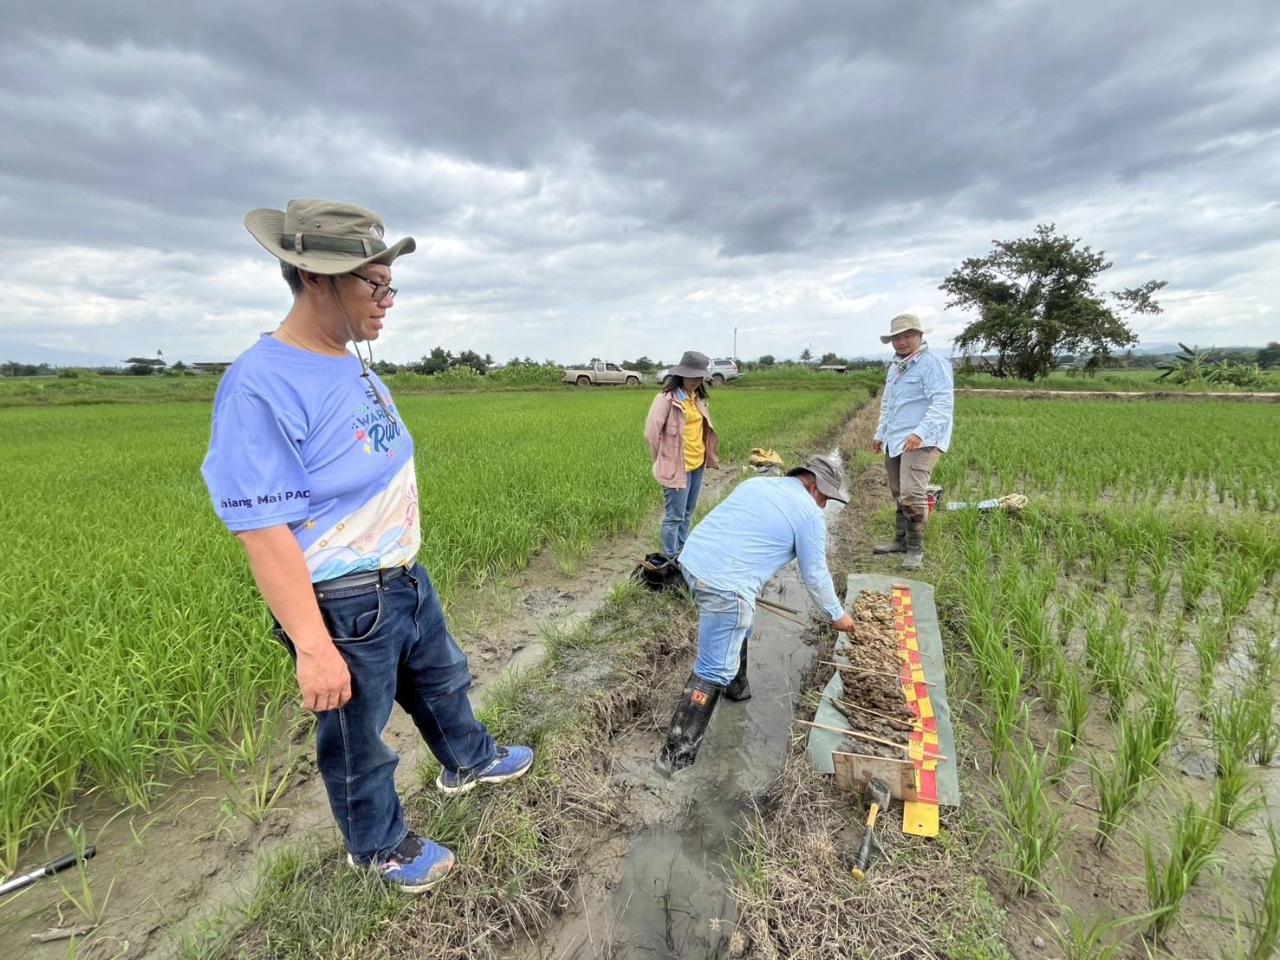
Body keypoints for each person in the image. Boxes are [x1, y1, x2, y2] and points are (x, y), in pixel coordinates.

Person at [201, 199, 533, 894]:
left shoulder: (349, 361)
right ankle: (377, 846)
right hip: (343, 599)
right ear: (313, 277)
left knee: (443, 681)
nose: (388, 302)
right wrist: (315, 648)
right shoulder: (262, 384)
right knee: (358, 738)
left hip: (402, 576)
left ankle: (467, 761)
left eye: (391, 286)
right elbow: (262, 532)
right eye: (373, 286)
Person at [656, 455, 858, 774]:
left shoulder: (756, 484)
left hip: (693, 563)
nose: (823, 506)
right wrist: (837, 614)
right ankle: (674, 758)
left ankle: (737, 689)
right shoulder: (809, 515)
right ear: (813, 484)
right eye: (824, 498)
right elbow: (815, 575)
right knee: (712, 666)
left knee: (739, 626)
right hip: (726, 586)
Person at [871, 313, 955, 570]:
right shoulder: (896, 367)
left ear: (920, 336)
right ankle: (900, 541)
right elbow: (889, 403)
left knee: (912, 492)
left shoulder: (933, 364)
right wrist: (880, 433)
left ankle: (916, 549)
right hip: (896, 437)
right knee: (898, 492)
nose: (902, 341)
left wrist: (920, 432)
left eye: (908, 335)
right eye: (897, 337)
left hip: (923, 439)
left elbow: (942, 403)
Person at [643, 351, 720, 560]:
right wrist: (663, 459)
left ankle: (682, 552)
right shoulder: (666, 400)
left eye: (699, 377)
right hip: (676, 467)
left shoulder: (698, 399)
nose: (696, 381)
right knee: (674, 516)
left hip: (697, 465)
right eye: (692, 376)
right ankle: (669, 558)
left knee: (687, 513)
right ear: (681, 375)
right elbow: (651, 434)